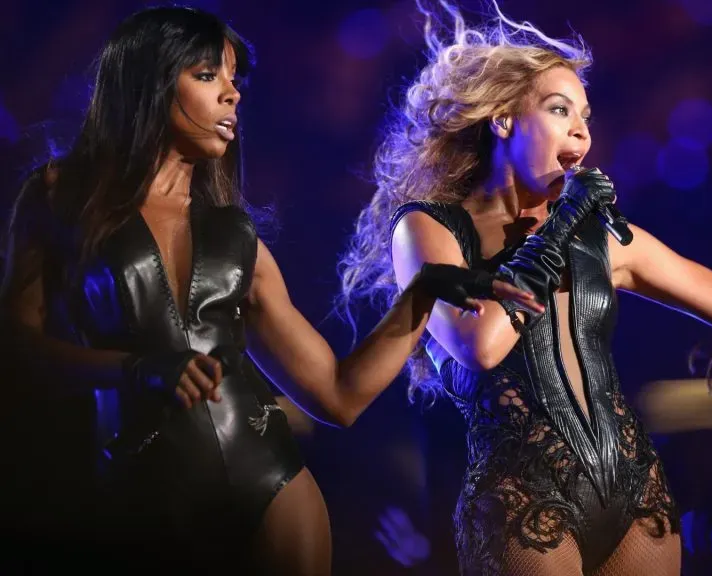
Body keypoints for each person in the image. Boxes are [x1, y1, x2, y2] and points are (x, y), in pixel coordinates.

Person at [0, 6, 541, 574]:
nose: (232, 95)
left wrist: (423, 293)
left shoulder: (237, 237)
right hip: (139, 502)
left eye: (236, 81)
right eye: (209, 76)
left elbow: (338, 396)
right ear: (150, 80)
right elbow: (16, 343)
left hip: (273, 493)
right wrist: (133, 369)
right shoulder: (60, 194)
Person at [337, 2, 712, 574]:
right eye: (560, 110)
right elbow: (479, 345)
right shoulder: (429, 228)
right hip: (523, 500)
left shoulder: (601, 239)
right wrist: (559, 227)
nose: (582, 129)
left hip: (636, 493)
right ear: (503, 119)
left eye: (585, 115)